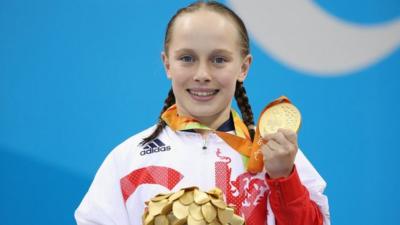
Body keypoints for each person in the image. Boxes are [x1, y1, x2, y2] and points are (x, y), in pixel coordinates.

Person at [75, 1, 330, 225]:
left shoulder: (276, 156)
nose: (202, 75)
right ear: (167, 64)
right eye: (187, 58)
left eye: (219, 59)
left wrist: (284, 179)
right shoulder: (128, 161)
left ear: (243, 67)